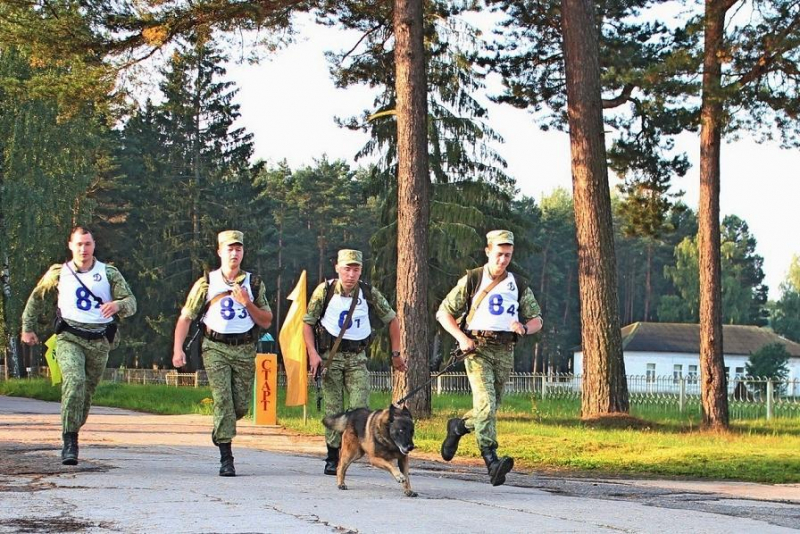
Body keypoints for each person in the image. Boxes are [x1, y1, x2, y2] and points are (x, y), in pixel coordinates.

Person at [21, 226, 137, 466]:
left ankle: (74, 424)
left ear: (94, 245)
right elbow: (36, 298)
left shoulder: (109, 273)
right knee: (75, 381)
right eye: (79, 244)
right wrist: (27, 327)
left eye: (88, 244)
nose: (83, 249)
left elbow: (131, 302)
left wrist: (117, 306)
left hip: (98, 340)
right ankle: (70, 441)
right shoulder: (58, 273)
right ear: (70, 245)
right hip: (69, 337)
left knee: (85, 394)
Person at [436, 230, 542, 486]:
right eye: (499, 254)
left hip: (505, 351)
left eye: (507, 255)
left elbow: (537, 318)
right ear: (488, 251)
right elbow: (443, 313)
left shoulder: (518, 284)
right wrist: (461, 338)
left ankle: (458, 428)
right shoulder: (472, 279)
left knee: (490, 408)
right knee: (485, 405)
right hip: (477, 349)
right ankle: (491, 459)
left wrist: (525, 328)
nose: (503, 260)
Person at [172, 230, 272, 477]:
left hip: (245, 348)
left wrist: (247, 302)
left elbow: (267, 320)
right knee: (223, 399)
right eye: (229, 249)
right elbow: (186, 317)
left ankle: (221, 427)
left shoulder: (254, 283)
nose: (234, 253)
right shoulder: (207, 282)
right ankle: (226, 457)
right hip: (214, 347)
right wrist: (177, 349)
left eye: (238, 249)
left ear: (243, 252)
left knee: (239, 406)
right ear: (220, 252)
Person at [303, 249, 406, 476]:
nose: (351, 274)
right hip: (331, 357)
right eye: (347, 269)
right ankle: (333, 456)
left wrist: (396, 352)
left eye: (356, 269)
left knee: (360, 408)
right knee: (334, 408)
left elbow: (392, 319)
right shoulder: (325, 291)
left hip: (357, 357)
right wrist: (313, 354)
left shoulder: (368, 292)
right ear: (337, 268)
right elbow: (307, 323)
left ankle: (359, 448)